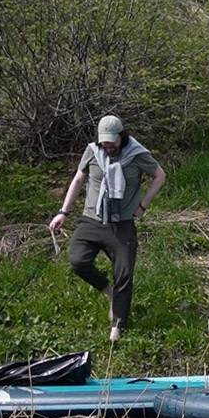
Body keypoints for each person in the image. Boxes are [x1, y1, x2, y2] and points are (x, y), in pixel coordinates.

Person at [49, 115, 166, 341]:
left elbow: (159, 176)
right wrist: (63, 212)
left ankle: (118, 325)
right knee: (78, 261)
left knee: (124, 274)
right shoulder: (92, 151)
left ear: (122, 136)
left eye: (112, 141)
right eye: (104, 141)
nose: (108, 145)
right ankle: (108, 291)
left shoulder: (138, 154)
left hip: (121, 223)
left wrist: (143, 205)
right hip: (92, 219)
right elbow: (78, 180)